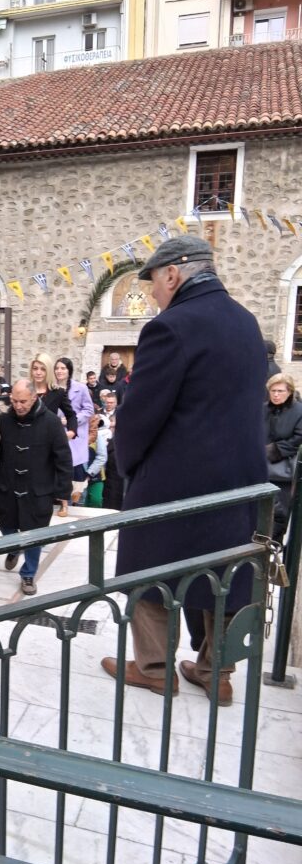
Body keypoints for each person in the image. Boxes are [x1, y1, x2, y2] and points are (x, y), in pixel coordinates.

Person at [100, 235, 267, 707]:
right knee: (227, 574)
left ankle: (155, 669)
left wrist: (129, 467)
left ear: (173, 273)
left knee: (150, 571)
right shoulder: (247, 322)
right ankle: (217, 673)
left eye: (153, 281)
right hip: (240, 480)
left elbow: (140, 415)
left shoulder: (170, 327)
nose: (153, 293)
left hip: (174, 481)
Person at [0, 380, 72, 595]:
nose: (18, 406)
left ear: (34, 398)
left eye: (23, 401)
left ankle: (28, 574)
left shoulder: (51, 422)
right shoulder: (4, 421)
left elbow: (63, 458)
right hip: (8, 486)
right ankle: (14, 547)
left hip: (38, 490)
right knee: (6, 527)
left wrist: (62, 492)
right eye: (14, 401)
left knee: (35, 535)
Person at [29, 352, 77, 517]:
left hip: (50, 439)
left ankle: (64, 502)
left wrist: (71, 432)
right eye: (35, 368)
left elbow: (71, 415)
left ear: (48, 370)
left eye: (42, 369)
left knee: (59, 469)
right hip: (29, 440)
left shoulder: (57, 392)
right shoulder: (26, 390)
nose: (38, 372)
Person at [265, 372, 302, 540]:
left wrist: (274, 450)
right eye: (273, 391)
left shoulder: (299, 411)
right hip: (262, 467)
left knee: (281, 514)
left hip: (283, 471)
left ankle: (275, 544)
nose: (276, 395)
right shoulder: (263, 409)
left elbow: (298, 438)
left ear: (289, 392)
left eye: (280, 391)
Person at [54, 356, 95, 506]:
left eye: (63, 368)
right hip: (56, 433)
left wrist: (73, 420)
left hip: (75, 436)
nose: (59, 371)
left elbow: (89, 409)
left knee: (74, 473)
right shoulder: (52, 387)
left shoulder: (81, 388)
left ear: (69, 371)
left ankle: (71, 503)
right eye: (57, 368)